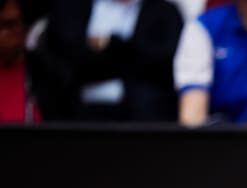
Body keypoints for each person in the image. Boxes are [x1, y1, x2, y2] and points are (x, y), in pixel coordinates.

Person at [30, 0, 184, 120]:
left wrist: (111, 46)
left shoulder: (165, 13)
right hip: (78, 118)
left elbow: (164, 66)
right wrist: (126, 55)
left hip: (141, 122)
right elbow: (63, 59)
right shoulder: (70, 8)